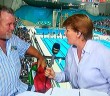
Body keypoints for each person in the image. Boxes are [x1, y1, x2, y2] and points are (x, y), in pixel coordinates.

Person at [45, 14, 110, 95]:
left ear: (78, 33)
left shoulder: (101, 53)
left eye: (67, 30)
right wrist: (54, 75)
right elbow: (67, 75)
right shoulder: (70, 52)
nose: (65, 33)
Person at [0, 5, 46, 95]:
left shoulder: (13, 39)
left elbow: (27, 47)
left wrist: (40, 57)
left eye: (14, 24)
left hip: (20, 89)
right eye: (9, 24)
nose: (13, 28)